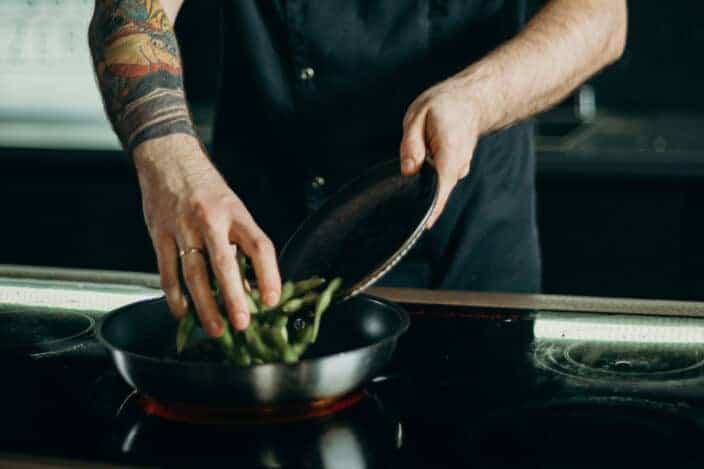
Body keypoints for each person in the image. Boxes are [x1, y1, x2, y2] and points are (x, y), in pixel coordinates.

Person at [89, 0, 627, 337]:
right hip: (261, 251)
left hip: (469, 262)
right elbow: (131, 7)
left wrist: (477, 98)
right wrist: (170, 159)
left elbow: (601, 16)